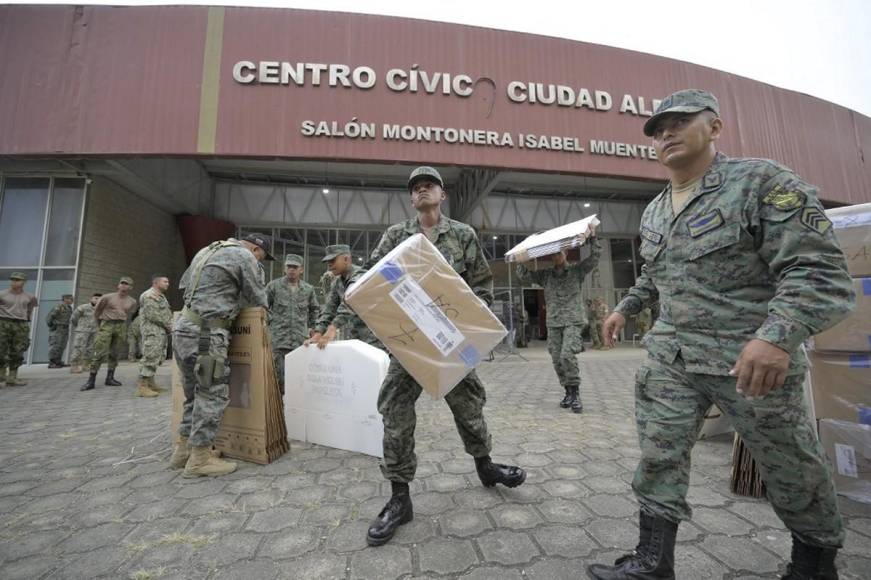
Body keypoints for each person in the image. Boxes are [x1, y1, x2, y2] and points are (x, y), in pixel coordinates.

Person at [589, 89, 855, 580]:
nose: (665, 133)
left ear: (713, 128)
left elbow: (816, 270)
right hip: (672, 358)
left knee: (790, 467)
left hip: (749, 363)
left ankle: (814, 567)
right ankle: (653, 563)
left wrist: (777, 337)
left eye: (679, 122)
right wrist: (626, 307)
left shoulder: (760, 182)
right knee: (658, 455)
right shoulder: (655, 210)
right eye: (656, 129)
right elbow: (656, 274)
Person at [329, 166, 526, 547]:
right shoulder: (397, 236)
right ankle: (400, 498)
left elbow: (481, 286)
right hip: (409, 341)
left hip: (449, 340)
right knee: (395, 408)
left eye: (429, 185)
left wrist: (472, 325)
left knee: (469, 405)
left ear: (442, 194)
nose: (422, 190)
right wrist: (353, 283)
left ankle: (485, 467)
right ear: (411, 199)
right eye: (416, 188)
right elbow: (370, 275)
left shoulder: (463, 235)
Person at [169, 233, 270, 478]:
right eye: (262, 258)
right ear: (256, 251)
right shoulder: (244, 256)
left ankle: (183, 452)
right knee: (212, 394)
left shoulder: (206, 250)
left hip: (183, 329)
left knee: (193, 393)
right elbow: (257, 298)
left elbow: (185, 286)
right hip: (206, 335)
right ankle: (200, 460)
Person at [516, 239, 601, 413]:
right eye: (553, 254)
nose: (556, 257)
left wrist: (593, 240)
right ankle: (568, 392)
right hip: (554, 323)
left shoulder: (577, 271)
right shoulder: (546, 275)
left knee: (566, 355)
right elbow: (524, 276)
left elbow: (594, 258)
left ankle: (576, 393)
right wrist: (521, 259)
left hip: (573, 320)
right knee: (556, 359)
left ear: (566, 253)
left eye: (559, 253)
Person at [307, 245, 380, 348]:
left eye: (333, 261)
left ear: (346, 259)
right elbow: (329, 309)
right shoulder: (337, 283)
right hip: (357, 338)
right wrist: (318, 333)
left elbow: (350, 301)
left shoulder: (360, 276)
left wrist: (333, 328)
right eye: (328, 262)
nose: (330, 265)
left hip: (377, 337)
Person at [266, 254, 319, 392]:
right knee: (277, 379)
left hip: (299, 342)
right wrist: (271, 323)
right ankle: (278, 411)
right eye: (289, 266)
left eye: (295, 267)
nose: (291, 270)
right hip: (279, 342)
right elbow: (262, 307)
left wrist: (313, 329)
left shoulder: (308, 290)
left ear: (301, 270)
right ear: (284, 268)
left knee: (298, 378)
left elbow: (315, 310)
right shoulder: (274, 286)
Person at [82, 277, 138, 391]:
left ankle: (110, 377)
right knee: (99, 351)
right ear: (118, 285)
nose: (123, 285)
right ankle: (91, 380)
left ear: (130, 287)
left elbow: (128, 313)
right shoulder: (107, 297)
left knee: (115, 352)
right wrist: (100, 326)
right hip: (107, 324)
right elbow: (97, 312)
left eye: (126, 284)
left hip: (121, 326)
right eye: (122, 283)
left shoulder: (132, 301)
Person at [136, 274, 173, 398]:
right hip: (152, 331)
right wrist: (168, 325)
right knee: (150, 356)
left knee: (156, 356)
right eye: (165, 281)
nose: (168, 283)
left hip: (159, 330)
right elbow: (153, 314)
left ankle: (151, 384)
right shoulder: (149, 295)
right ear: (155, 283)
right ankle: (142, 387)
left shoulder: (160, 296)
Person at [0, 272, 38, 386]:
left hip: (21, 324)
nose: (15, 282)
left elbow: (30, 310)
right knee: (1, 350)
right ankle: (1, 375)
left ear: (24, 282)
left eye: (18, 280)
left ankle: (12, 377)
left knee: (18, 350)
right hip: (3, 322)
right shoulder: (2, 294)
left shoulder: (30, 297)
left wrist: (26, 322)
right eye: (13, 280)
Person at [69, 293, 101, 374]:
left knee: (90, 349)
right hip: (83, 331)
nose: (97, 300)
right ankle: (74, 366)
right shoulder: (83, 307)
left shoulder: (101, 309)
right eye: (96, 298)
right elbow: (74, 318)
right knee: (79, 347)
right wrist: (79, 326)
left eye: (99, 299)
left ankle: (86, 365)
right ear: (91, 299)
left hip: (94, 331)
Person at [46, 294, 74, 367]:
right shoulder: (58, 307)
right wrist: (52, 326)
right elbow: (49, 317)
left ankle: (58, 361)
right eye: (70, 299)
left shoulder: (69, 308)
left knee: (62, 345)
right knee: (55, 345)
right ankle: (52, 362)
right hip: (57, 328)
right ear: (65, 299)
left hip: (65, 328)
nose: (72, 300)